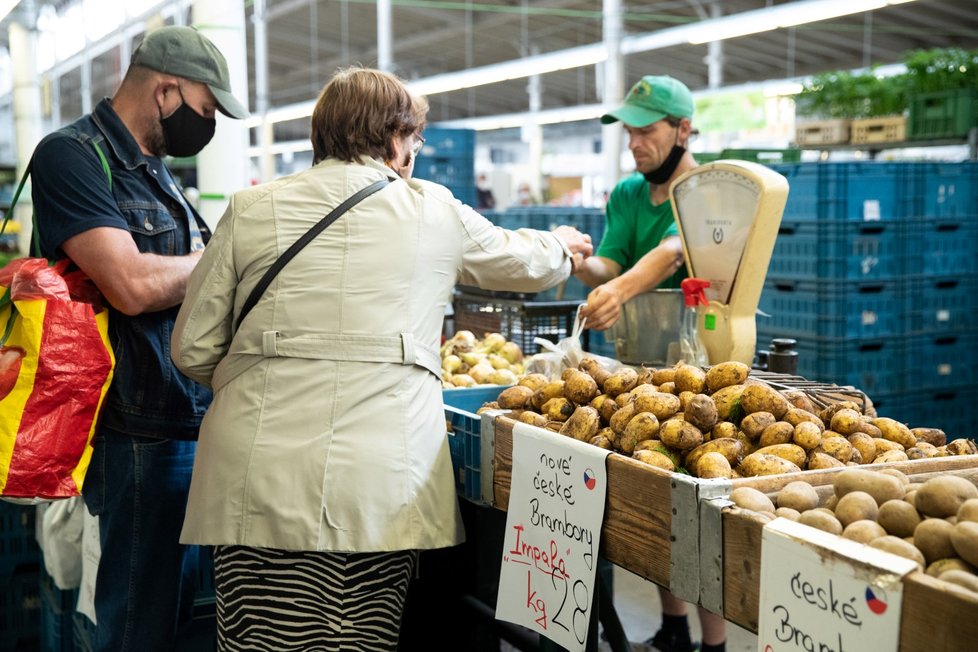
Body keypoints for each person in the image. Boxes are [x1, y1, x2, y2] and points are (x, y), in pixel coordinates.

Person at [169, 66, 593, 650]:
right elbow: (523, 262)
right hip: (377, 483)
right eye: (414, 140)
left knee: (258, 635)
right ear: (395, 139)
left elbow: (191, 346)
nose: (414, 153)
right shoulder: (432, 209)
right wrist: (565, 247)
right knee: (355, 634)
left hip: (254, 474)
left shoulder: (250, 208)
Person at [29, 25, 248, 651]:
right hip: (133, 430)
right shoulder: (71, 156)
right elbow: (129, 283)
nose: (207, 127)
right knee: (136, 626)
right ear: (166, 91)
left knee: (178, 616)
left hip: (184, 417)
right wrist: (223, 263)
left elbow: (177, 275)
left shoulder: (159, 172)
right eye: (205, 111)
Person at [575, 75, 727, 652]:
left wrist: (621, 294)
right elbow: (612, 265)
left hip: (704, 369)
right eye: (630, 133)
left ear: (683, 129)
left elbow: (669, 256)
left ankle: (713, 642)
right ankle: (672, 631)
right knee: (662, 504)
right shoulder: (627, 195)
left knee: (706, 511)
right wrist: (579, 262)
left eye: (646, 131)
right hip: (639, 369)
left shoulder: (707, 193)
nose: (635, 144)